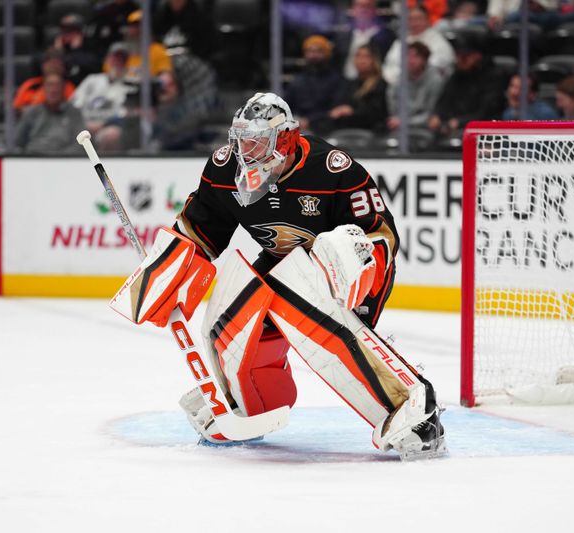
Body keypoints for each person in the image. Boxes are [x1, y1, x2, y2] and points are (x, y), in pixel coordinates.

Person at [111, 92, 445, 460]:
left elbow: (381, 238)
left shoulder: (333, 168)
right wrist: (168, 268)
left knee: (315, 304)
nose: (245, 150)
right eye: (240, 140)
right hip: (282, 264)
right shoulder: (225, 169)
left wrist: (353, 283)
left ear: (285, 138)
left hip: (340, 276)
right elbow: (201, 230)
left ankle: (415, 410)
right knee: (230, 315)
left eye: (256, 141)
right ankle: (250, 404)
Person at [427, 34, 507, 141]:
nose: (459, 60)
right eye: (458, 56)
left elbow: (487, 111)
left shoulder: (494, 76)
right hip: (453, 128)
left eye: (464, 56)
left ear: (478, 55)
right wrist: (437, 115)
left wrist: (460, 122)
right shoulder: (457, 75)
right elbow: (444, 101)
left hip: (484, 131)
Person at [70, 43, 135, 152]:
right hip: (83, 124)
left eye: (121, 59)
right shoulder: (92, 80)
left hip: (107, 127)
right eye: (115, 58)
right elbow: (73, 104)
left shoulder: (129, 87)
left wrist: (103, 124)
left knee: (111, 135)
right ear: (107, 59)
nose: (117, 62)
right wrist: (83, 124)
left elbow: (125, 116)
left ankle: (107, 166)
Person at [320, 44, 389, 133]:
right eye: (358, 56)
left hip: (370, 131)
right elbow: (338, 105)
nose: (361, 60)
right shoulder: (350, 83)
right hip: (345, 129)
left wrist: (352, 111)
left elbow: (377, 114)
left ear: (374, 60)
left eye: (366, 57)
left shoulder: (381, 85)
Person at [383, 2, 455, 85]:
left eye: (418, 18)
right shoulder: (400, 42)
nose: (414, 23)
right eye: (410, 19)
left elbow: (438, 66)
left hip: (428, 86)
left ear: (428, 20)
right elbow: (389, 64)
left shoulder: (439, 42)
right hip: (399, 85)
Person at [283, 34, 344, 132]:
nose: (313, 55)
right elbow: (286, 106)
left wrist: (310, 121)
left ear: (327, 53)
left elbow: (335, 111)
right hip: (297, 127)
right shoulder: (298, 80)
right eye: (309, 51)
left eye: (318, 51)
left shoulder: (337, 80)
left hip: (326, 129)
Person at [14, 74, 85, 154]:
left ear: (63, 88)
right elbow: (18, 142)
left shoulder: (74, 113)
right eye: (50, 85)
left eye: (57, 85)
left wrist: (61, 158)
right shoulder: (32, 112)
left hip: (64, 161)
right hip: (34, 159)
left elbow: (81, 143)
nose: (53, 90)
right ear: (43, 88)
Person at [386, 42, 445, 130]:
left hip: (424, 128)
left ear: (424, 59)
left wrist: (404, 122)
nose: (411, 60)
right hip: (400, 127)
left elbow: (431, 115)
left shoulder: (435, 80)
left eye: (416, 56)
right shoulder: (399, 80)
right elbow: (393, 106)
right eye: (408, 56)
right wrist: (398, 121)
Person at [104, 10, 173, 84]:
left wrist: (157, 81)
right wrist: (116, 69)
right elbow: (107, 76)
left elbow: (166, 78)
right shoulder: (119, 51)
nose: (137, 29)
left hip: (147, 91)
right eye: (133, 25)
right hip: (121, 90)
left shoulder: (158, 50)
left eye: (141, 25)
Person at [335, 0, 396, 80]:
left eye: (368, 6)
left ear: (374, 9)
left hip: (374, 84)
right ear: (353, 9)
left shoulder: (387, 37)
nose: (363, 9)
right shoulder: (343, 37)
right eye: (360, 6)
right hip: (346, 84)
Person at [13, 48, 76, 113]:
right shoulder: (30, 85)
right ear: (43, 65)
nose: (53, 67)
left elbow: (70, 112)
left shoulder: (68, 88)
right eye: (50, 63)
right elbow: (16, 109)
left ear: (63, 67)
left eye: (57, 64)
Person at [53, 14, 101, 85]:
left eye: (70, 30)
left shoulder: (90, 45)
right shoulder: (59, 46)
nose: (66, 33)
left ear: (80, 31)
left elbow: (95, 66)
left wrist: (76, 49)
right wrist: (57, 52)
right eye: (64, 29)